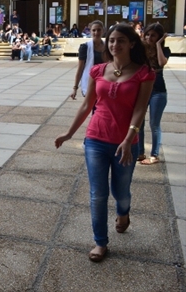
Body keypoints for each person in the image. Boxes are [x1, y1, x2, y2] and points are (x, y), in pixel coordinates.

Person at [55, 23, 155, 262]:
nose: (114, 44)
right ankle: (100, 242)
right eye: (111, 40)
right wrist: (69, 134)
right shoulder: (98, 70)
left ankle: (123, 212)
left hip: (126, 143)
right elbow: (87, 105)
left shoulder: (144, 73)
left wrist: (129, 139)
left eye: (120, 40)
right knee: (97, 194)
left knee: (120, 191)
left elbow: (140, 109)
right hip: (96, 139)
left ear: (131, 43)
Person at [138, 23, 170, 165]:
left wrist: (158, 45)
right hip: (143, 90)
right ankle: (139, 152)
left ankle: (155, 155)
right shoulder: (141, 50)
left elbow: (162, 63)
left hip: (158, 91)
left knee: (154, 124)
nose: (150, 38)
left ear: (159, 37)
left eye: (154, 35)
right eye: (148, 34)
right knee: (139, 122)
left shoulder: (164, 50)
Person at [70, 20, 105, 100]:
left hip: (105, 83)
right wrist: (75, 88)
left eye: (99, 30)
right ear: (90, 31)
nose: (96, 32)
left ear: (103, 31)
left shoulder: (108, 46)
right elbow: (80, 69)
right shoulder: (85, 47)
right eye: (94, 30)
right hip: (91, 83)